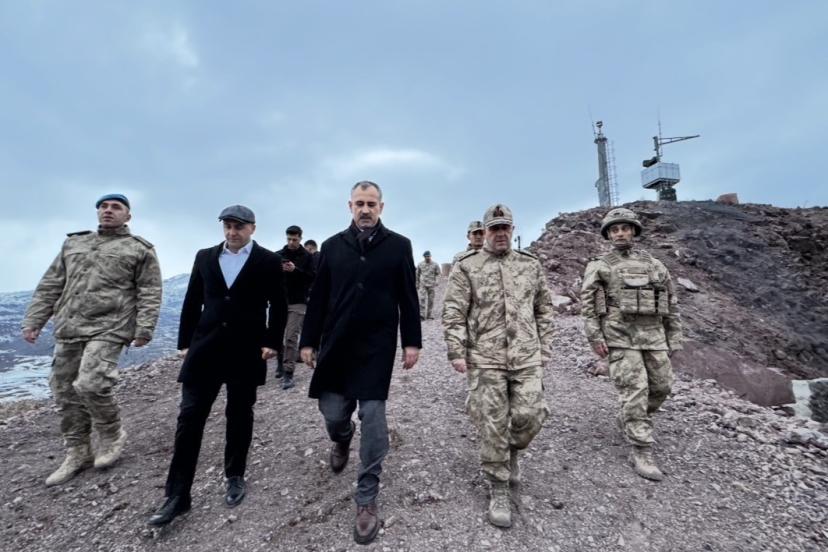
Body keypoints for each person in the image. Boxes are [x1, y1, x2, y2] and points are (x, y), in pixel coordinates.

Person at [148, 205, 287, 526]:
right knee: (189, 418)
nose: (232, 232)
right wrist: (185, 342)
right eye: (227, 226)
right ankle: (177, 496)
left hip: (246, 349)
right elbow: (192, 300)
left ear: (252, 228)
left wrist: (272, 342)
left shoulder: (268, 261)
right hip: (205, 349)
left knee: (239, 414)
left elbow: (279, 306)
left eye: (238, 226)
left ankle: (235, 475)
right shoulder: (205, 257)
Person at [299, 181, 421, 545]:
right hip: (336, 345)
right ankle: (341, 438)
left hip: (376, 348)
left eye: (371, 204)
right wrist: (308, 341)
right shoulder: (332, 246)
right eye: (359, 204)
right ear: (349, 206)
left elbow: (408, 297)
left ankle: (366, 496)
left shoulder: (399, 245)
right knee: (333, 412)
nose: (365, 209)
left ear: (381, 207)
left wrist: (411, 342)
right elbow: (318, 297)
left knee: (374, 417)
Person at [21, 194, 162, 486]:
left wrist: (144, 329)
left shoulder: (139, 249)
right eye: (104, 207)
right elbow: (51, 283)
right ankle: (78, 451)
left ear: (128, 216)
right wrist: (34, 321)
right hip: (70, 325)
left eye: (116, 207)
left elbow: (149, 291)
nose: (108, 211)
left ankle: (111, 434)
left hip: (110, 326)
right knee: (63, 389)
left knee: (91, 383)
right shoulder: (74, 244)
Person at [442, 203, 553, 528]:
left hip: (526, 355)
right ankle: (498, 486)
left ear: (513, 230)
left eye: (505, 227)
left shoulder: (530, 265)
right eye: (494, 228)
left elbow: (544, 308)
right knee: (492, 423)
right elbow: (453, 311)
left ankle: (512, 452)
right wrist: (456, 351)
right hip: (484, 358)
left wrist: (545, 346)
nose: (500, 233)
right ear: (485, 232)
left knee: (531, 415)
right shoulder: (467, 267)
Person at [580, 207, 683, 481]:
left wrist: (674, 336)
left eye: (625, 228)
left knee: (662, 386)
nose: (620, 233)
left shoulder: (655, 265)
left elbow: (670, 301)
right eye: (614, 230)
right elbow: (588, 305)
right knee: (635, 390)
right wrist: (595, 337)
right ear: (608, 235)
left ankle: (630, 417)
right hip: (619, 335)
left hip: (653, 335)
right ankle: (641, 449)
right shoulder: (600, 265)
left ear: (634, 231)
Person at [275, 225, 315, 390]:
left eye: (295, 239)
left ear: (300, 238)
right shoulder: (278, 255)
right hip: (279, 301)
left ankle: (288, 372)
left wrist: (295, 270)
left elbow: (312, 277)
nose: (291, 242)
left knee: (291, 337)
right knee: (277, 335)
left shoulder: (307, 257)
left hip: (298, 301)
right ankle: (280, 363)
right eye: (289, 239)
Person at [416, 251, 442, 320]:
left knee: (431, 301)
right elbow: (417, 275)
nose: (428, 257)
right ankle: (421, 315)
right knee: (422, 300)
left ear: (430, 256)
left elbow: (438, 274)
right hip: (423, 285)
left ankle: (429, 315)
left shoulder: (435, 264)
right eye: (426, 256)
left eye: (429, 256)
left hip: (431, 285)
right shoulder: (420, 264)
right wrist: (417, 284)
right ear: (424, 257)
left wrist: (437, 281)